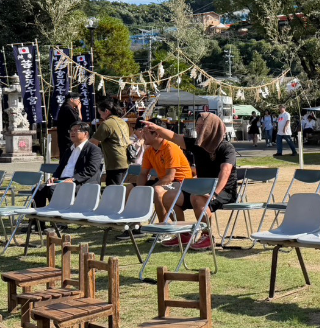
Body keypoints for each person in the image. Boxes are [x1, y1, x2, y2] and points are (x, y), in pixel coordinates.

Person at [142, 114, 236, 250]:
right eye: (197, 125)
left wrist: (215, 193)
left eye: (201, 126)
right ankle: (184, 234)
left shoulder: (226, 148)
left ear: (211, 128)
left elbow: (225, 171)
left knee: (198, 198)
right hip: (200, 190)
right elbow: (174, 137)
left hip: (223, 191)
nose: (197, 128)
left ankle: (207, 236)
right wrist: (157, 128)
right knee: (168, 197)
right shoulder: (197, 145)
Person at [34, 122, 103, 207]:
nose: (72, 133)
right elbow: (61, 167)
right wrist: (54, 177)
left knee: (54, 189)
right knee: (39, 189)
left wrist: (73, 179)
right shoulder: (69, 150)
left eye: (76, 130)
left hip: (80, 182)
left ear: (86, 133)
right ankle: (39, 215)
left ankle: (58, 213)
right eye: (71, 130)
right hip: (63, 180)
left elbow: (91, 169)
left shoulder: (93, 149)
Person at [137, 121, 194, 224]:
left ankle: (162, 226)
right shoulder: (149, 151)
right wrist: (140, 189)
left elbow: (170, 177)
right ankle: (133, 225)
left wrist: (150, 189)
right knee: (131, 188)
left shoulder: (170, 148)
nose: (142, 135)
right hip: (166, 182)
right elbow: (143, 174)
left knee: (157, 190)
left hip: (182, 183)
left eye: (145, 132)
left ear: (156, 134)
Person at [91, 97, 131, 186]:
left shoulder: (107, 124)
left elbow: (93, 142)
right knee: (118, 186)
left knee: (112, 188)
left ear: (106, 111)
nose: (100, 117)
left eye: (100, 113)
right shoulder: (122, 122)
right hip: (125, 158)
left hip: (114, 161)